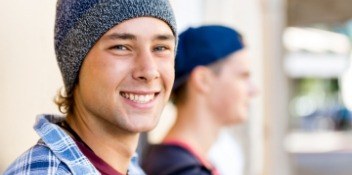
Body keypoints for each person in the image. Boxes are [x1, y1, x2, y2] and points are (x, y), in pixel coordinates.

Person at [4, 0, 177, 174]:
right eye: (121, 47)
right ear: (75, 62)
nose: (149, 71)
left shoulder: (129, 168)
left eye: (160, 48)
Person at [142, 25, 257, 175]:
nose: (254, 90)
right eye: (243, 76)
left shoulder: (174, 161)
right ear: (203, 80)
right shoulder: (180, 169)